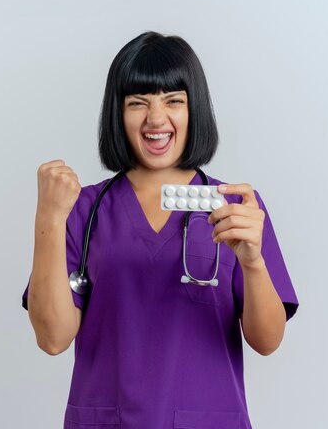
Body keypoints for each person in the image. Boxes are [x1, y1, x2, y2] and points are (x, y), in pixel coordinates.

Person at [22, 31, 299, 429]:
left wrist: (253, 262)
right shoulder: (82, 209)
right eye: (138, 103)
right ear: (118, 113)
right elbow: (52, 339)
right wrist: (48, 219)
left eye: (174, 101)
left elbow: (267, 341)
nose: (156, 119)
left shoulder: (237, 210)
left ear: (194, 109)